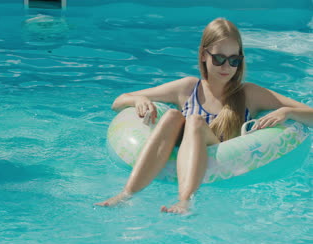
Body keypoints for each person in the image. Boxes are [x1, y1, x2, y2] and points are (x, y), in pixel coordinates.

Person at [95, 18, 313, 214]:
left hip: (223, 155)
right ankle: (126, 194)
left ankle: (185, 201)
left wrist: (288, 111)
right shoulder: (188, 88)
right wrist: (138, 100)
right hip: (182, 147)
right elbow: (119, 101)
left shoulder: (249, 94)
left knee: (195, 121)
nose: (226, 67)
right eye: (219, 58)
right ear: (203, 55)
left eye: (234, 60)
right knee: (171, 115)